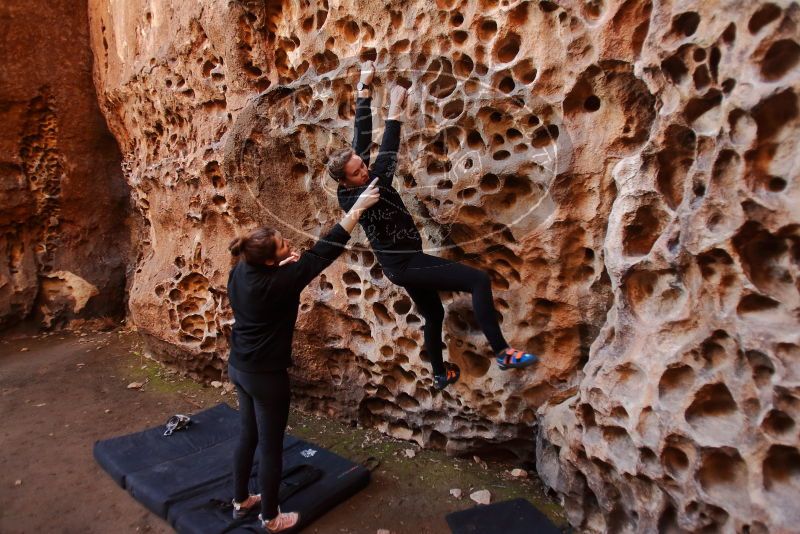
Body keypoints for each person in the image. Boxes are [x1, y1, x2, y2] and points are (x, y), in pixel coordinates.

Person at [328, 62, 539, 391]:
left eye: (362, 166)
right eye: (356, 172)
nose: (363, 170)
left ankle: (440, 374)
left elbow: (361, 136)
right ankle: (502, 352)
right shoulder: (366, 190)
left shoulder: (359, 176)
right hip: (407, 264)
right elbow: (388, 149)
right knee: (478, 280)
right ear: (344, 182)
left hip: (400, 264)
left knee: (434, 314)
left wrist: (364, 87)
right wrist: (395, 110)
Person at [226, 178, 380, 532]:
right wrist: (357, 209)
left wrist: (282, 267)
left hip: (240, 366)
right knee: (271, 446)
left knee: (248, 435)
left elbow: (269, 282)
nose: (288, 243)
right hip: (266, 377)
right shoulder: (281, 280)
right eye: (283, 245)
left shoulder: (240, 270)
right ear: (270, 260)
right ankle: (270, 518)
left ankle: (240, 500)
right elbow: (324, 251)